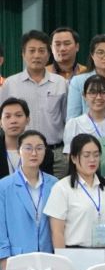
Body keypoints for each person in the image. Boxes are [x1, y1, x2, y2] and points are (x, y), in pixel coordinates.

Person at [0, 31, 67, 176]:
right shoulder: (11, 84)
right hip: (22, 153)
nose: (37, 55)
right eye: (31, 51)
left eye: (42, 51)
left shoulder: (60, 83)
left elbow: (67, 119)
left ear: (49, 55)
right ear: (23, 54)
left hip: (55, 154)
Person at [44, 133, 105, 254]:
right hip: (76, 251)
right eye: (86, 155)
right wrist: (63, 261)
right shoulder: (62, 188)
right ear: (73, 158)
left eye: (96, 155)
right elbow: (57, 232)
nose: (92, 160)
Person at [0, 130, 58, 267]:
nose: (34, 153)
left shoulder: (55, 184)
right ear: (19, 151)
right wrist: (3, 259)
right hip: (16, 259)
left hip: (48, 257)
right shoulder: (4, 186)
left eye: (39, 148)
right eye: (28, 148)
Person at [67, 34, 105, 118]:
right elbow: (72, 117)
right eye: (100, 53)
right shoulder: (78, 82)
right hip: (87, 130)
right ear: (92, 55)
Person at [62, 75, 105, 153]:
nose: (98, 97)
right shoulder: (75, 124)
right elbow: (70, 157)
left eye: (103, 92)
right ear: (84, 96)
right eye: (93, 92)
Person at [0, 98, 29, 179]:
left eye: (18, 115)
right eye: (7, 116)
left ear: (27, 120)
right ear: (0, 123)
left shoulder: (41, 151)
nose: (13, 121)